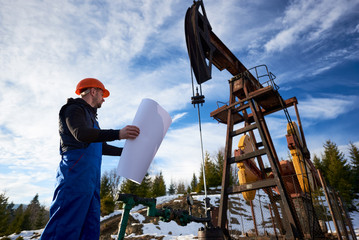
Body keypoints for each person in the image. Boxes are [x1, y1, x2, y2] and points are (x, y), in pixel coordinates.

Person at [40, 78, 140, 239]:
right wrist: (118, 134)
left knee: (90, 229)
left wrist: (128, 152)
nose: (104, 99)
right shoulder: (73, 109)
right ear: (93, 91)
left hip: (91, 183)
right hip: (74, 178)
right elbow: (81, 134)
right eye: (102, 94)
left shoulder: (93, 120)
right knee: (65, 226)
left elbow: (102, 147)